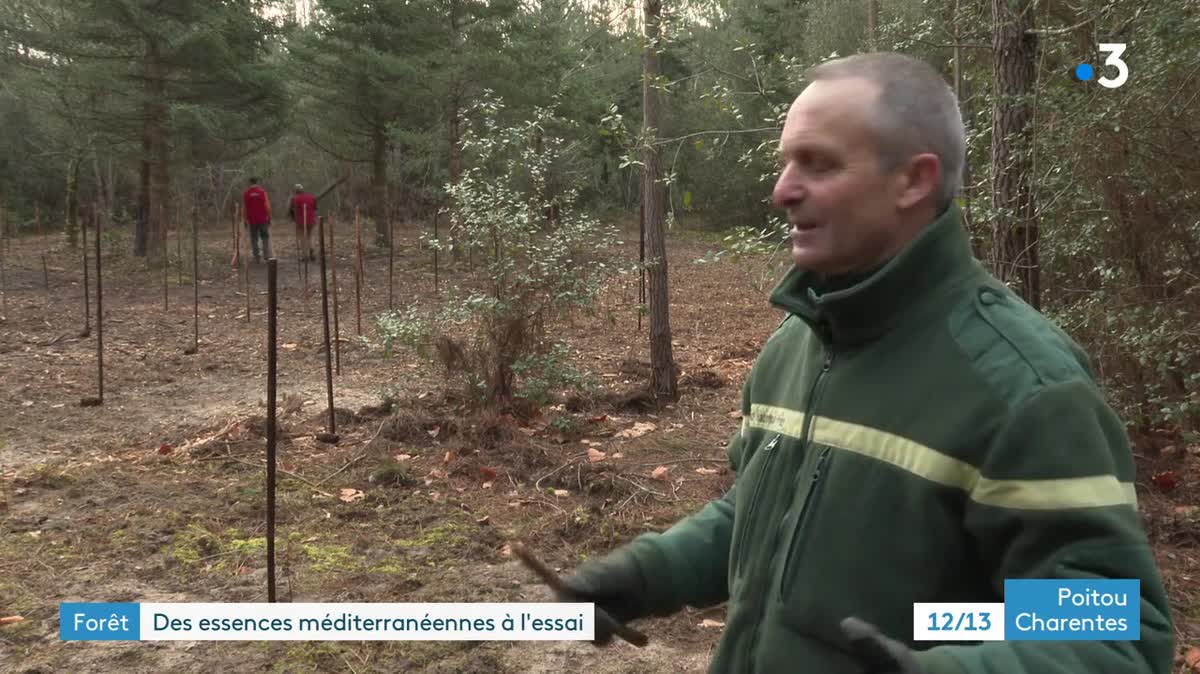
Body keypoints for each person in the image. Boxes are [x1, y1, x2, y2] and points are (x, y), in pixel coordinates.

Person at [556, 52, 1176, 673]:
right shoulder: (793, 347)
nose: (781, 191)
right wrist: (642, 576)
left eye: (818, 164)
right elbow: (760, 519)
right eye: (785, 163)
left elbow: (1114, 632)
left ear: (913, 180)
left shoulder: (1025, 390)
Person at [242, 176, 273, 262]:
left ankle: (257, 256)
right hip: (263, 219)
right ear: (257, 182)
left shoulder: (246, 193)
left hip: (252, 220)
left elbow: (245, 208)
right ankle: (266, 255)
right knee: (265, 237)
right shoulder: (262, 192)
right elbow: (267, 206)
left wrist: (245, 220)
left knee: (254, 238)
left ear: (249, 183)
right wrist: (269, 217)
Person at [288, 184, 318, 261]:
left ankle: (305, 256)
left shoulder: (294, 199)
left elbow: (291, 210)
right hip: (311, 220)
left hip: (300, 221)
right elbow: (315, 209)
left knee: (302, 237)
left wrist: (293, 219)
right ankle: (312, 249)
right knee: (310, 235)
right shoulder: (311, 197)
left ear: (295, 191)